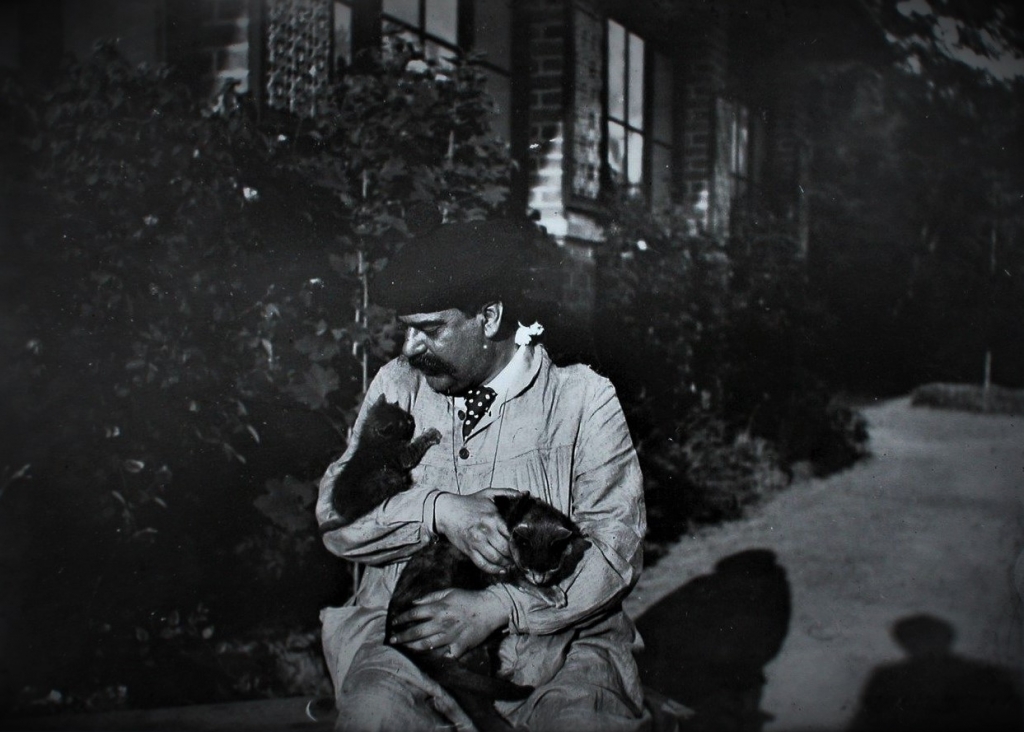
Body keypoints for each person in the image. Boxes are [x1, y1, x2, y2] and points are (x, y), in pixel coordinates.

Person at [317, 217, 650, 731]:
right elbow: (336, 520)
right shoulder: (399, 386)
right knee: (374, 716)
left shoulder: (582, 397)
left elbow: (617, 548)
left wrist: (500, 606)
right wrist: (438, 511)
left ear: (489, 317)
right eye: (406, 328)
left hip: (557, 649)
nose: (409, 348)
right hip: (412, 645)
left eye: (430, 330)